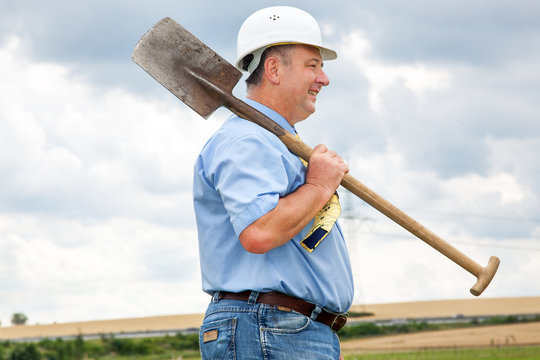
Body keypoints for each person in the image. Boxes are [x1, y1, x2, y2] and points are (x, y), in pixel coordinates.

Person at [193, 6, 354, 359]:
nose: (323, 78)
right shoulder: (247, 140)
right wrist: (318, 186)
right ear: (274, 69)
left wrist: (320, 327)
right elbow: (260, 231)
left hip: (285, 328)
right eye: (313, 65)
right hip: (270, 326)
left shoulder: (270, 142)